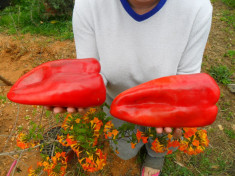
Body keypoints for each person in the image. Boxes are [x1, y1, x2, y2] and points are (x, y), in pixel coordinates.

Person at [46, 0, 213, 175]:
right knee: (125, 147)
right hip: (116, 102)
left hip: (166, 103)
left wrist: (180, 109)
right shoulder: (88, 4)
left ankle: (155, 155)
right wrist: (84, 91)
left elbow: (187, 77)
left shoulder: (197, 7)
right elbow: (91, 70)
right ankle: (134, 151)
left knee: (162, 136)